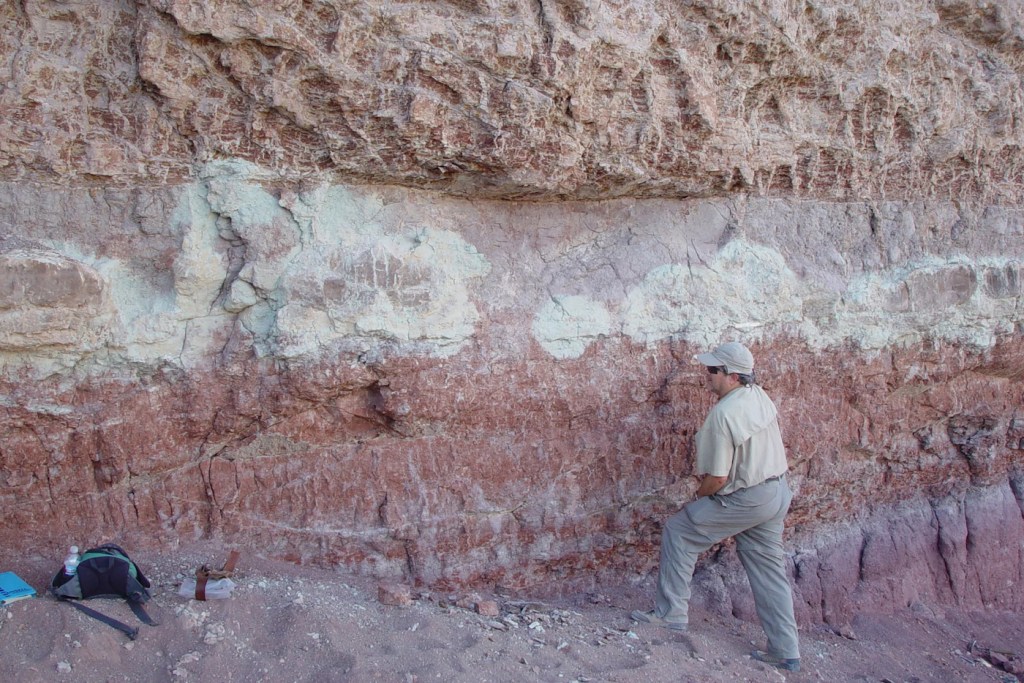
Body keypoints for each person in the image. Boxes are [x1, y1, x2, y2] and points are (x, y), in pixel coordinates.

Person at [630, 341, 801, 672]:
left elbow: (718, 479)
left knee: (679, 531)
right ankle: (785, 650)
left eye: (712, 370)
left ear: (733, 376)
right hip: (777, 491)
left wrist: (698, 498)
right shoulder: (758, 395)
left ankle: (670, 615)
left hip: (748, 498)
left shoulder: (724, 414)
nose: (707, 376)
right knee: (769, 572)